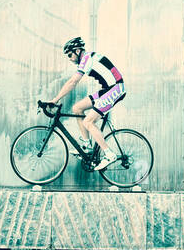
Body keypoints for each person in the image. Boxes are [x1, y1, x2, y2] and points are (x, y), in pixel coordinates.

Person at [44, 37, 125, 171]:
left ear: (77, 51)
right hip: (108, 89)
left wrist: (55, 99)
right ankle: (87, 146)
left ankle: (109, 154)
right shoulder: (87, 58)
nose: (70, 58)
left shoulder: (87, 58)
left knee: (88, 122)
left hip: (116, 88)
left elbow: (73, 82)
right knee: (77, 108)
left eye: (70, 55)